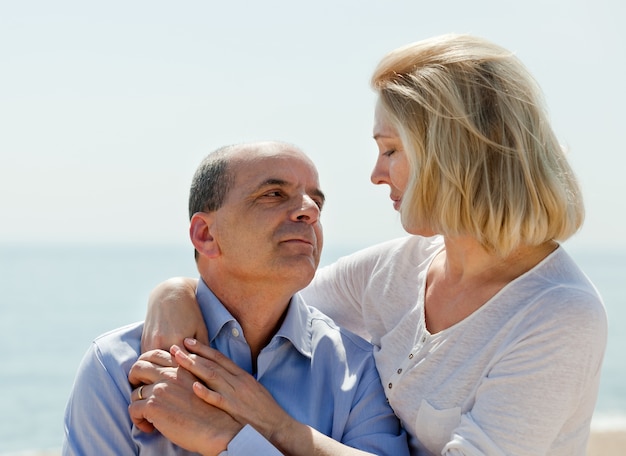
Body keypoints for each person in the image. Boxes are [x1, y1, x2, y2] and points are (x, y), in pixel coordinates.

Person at [141, 34, 608, 455]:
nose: (376, 174)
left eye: (390, 150)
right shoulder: (395, 270)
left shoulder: (559, 315)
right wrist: (175, 293)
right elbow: (261, 295)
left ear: (449, 154)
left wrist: (265, 427)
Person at [62, 141, 409, 455]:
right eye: (273, 194)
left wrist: (232, 441)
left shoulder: (359, 370)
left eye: (316, 201)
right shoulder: (118, 366)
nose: (310, 211)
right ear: (205, 234)